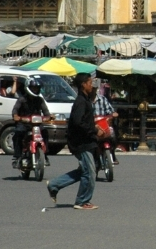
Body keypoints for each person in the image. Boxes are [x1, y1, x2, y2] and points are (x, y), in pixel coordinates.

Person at [47, 73, 104, 210]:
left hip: (87, 141)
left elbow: (84, 121)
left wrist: (95, 127)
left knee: (88, 170)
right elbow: (78, 123)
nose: (92, 85)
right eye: (89, 82)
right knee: (89, 172)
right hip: (81, 143)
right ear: (83, 84)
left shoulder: (85, 100)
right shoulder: (80, 102)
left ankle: (54, 184)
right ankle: (82, 201)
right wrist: (94, 131)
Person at [12, 78, 51, 168]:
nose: (35, 90)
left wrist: (48, 117)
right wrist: (16, 116)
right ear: (28, 88)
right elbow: (15, 110)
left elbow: (46, 112)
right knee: (18, 133)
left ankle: (45, 155)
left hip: (36, 124)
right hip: (23, 123)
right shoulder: (21, 99)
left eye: (37, 88)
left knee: (45, 133)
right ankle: (17, 157)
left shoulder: (40, 100)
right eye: (33, 88)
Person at [93, 84, 120, 164]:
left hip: (104, 124)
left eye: (94, 89)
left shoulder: (102, 99)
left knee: (113, 136)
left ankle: (113, 154)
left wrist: (113, 114)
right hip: (92, 125)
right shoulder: (86, 101)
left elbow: (110, 111)